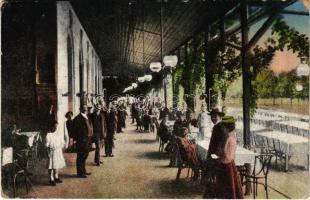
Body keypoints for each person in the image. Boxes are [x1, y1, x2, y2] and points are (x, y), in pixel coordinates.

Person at [203, 116, 244, 199]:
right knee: (227, 189)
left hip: (222, 163)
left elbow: (219, 151)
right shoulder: (226, 134)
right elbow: (224, 153)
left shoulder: (220, 129)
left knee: (222, 189)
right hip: (226, 164)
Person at [45, 121, 68, 185]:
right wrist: (48, 153)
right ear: (51, 127)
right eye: (54, 126)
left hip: (58, 151)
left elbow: (62, 143)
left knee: (56, 165)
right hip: (52, 152)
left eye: (56, 126)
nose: (55, 128)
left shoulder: (58, 134)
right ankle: (51, 178)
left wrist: (61, 146)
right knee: (51, 165)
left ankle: (56, 177)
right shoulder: (48, 135)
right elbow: (47, 145)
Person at [73, 105, 93, 178]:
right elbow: (75, 130)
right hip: (81, 140)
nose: (85, 109)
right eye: (83, 108)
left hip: (87, 139)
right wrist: (78, 139)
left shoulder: (87, 116)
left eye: (85, 108)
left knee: (85, 154)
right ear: (80, 109)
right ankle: (80, 173)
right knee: (81, 156)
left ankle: (83, 171)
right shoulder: (77, 118)